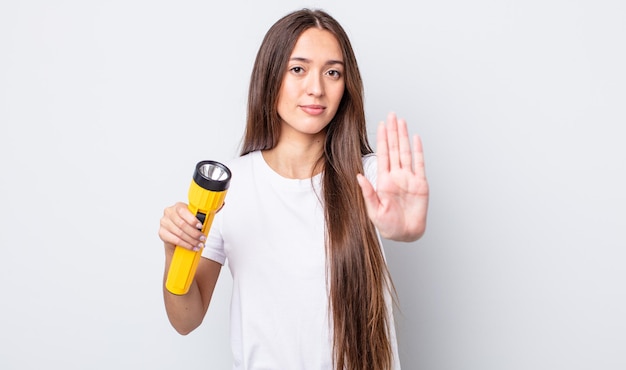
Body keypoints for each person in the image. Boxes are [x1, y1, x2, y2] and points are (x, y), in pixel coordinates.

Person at [158, 8, 429, 370]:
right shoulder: (229, 189)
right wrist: (173, 253)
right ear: (271, 77)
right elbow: (186, 319)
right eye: (298, 69)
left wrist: (405, 230)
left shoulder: (371, 177)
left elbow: (400, 219)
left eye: (332, 72)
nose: (316, 88)